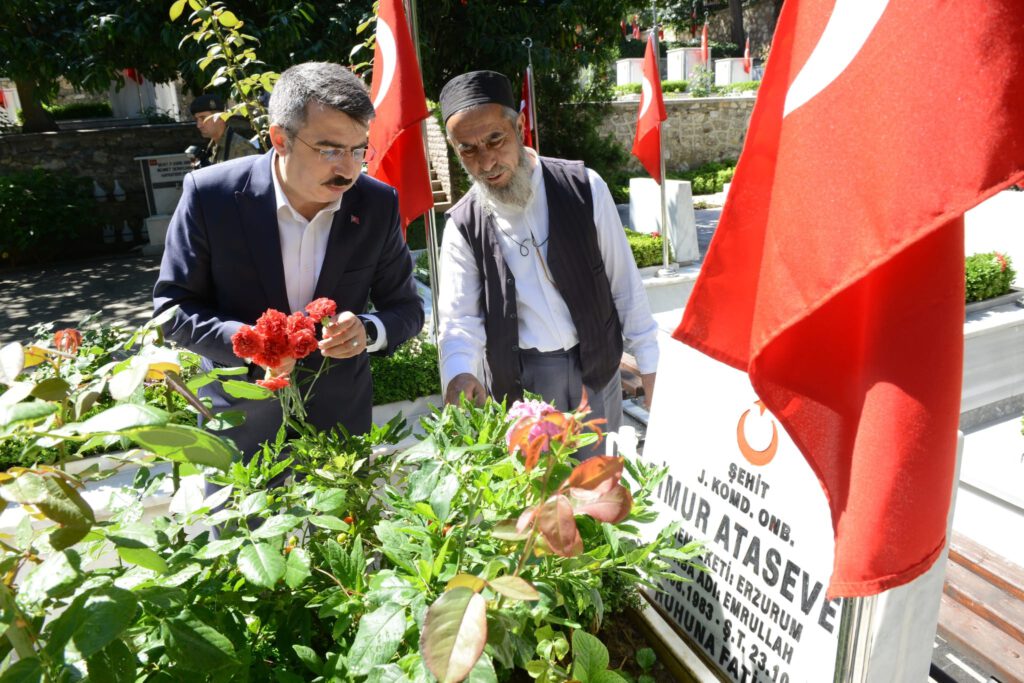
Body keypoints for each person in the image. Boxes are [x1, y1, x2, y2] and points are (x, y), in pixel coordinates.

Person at [154, 62, 424, 456]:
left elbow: (406, 308)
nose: (348, 169)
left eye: (358, 150)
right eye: (330, 150)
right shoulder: (211, 196)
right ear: (280, 139)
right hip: (241, 423)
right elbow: (172, 309)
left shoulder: (376, 204)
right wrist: (250, 344)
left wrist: (368, 330)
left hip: (339, 428)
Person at [436, 70, 659, 443]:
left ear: (520, 127)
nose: (486, 162)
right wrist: (459, 372)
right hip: (524, 389)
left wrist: (650, 366)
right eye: (468, 150)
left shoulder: (585, 188)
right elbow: (459, 320)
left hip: (598, 371)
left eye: (495, 140)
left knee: (600, 477)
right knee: (540, 482)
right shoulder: (463, 224)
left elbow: (625, 287)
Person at [187, 93, 259, 168]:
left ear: (221, 117)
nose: (198, 125)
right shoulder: (212, 147)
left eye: (203, 118)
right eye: (196, 119)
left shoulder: (240, 147)